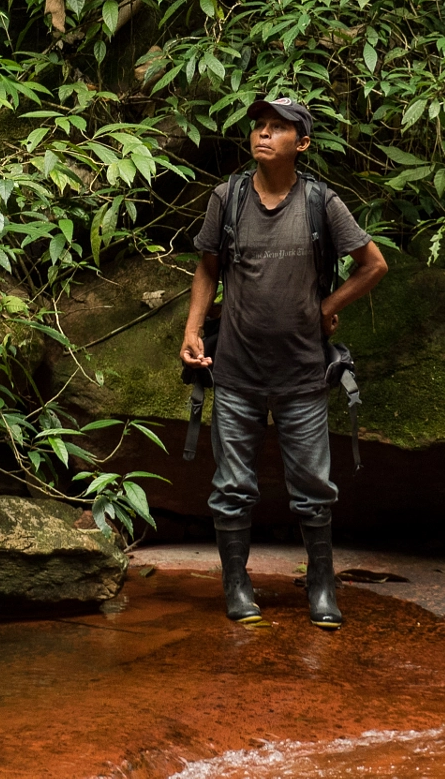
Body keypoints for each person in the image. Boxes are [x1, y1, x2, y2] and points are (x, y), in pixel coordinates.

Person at [179, 97, 389, 628]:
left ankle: (321, 585)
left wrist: (328, 307)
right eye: (259, 126)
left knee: (314, 487)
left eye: (278, 128)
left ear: (303, 143)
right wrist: (192, 330)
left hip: (301, 372)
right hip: (235, 370)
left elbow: (373, 264)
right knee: (232, 486)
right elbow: (208, 268)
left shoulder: (321, 203)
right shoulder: (227, 199)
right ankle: (236, 582)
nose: (264, 135)